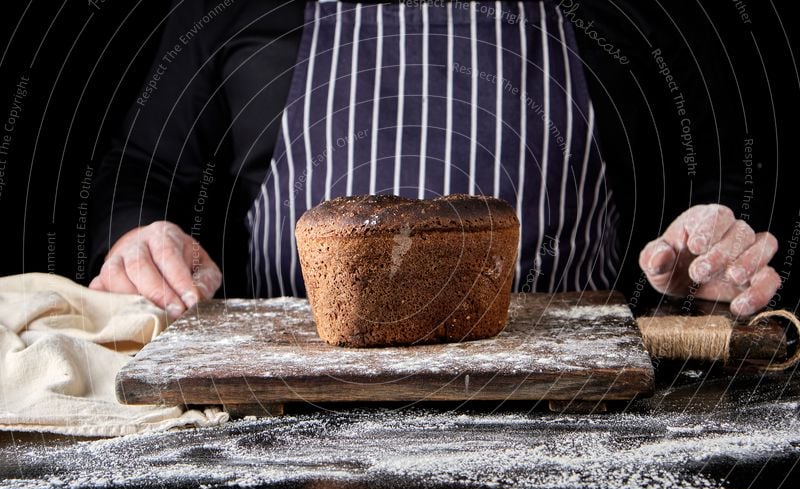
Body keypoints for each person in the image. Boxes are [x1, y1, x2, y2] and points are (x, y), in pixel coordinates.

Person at [88, 0, 780, 320]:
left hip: (560, 411)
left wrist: (710, 242)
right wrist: (139, 238)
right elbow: (144, 170)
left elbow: (720, 165)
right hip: (279, 410)